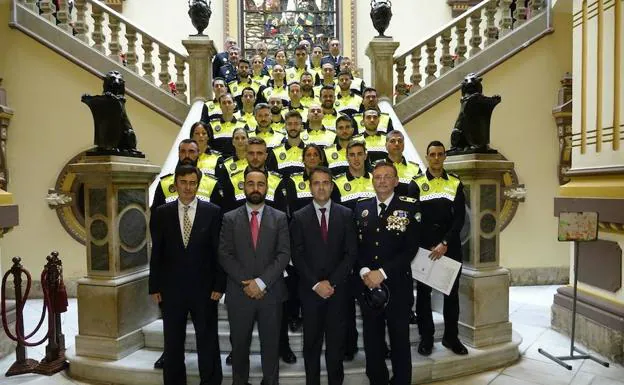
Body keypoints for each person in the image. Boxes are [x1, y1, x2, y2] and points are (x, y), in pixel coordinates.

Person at [149, 164, 225, 385]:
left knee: (207, 340)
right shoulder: (163, 213)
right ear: (175, 185)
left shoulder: (212, 212)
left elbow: (218, 251)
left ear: (198, 185)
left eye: (193, 183)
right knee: (173, 342)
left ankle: (210, 381)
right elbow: (158, 251)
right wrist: (154, 286)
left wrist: (219, 285)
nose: (188, 188)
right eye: (183, 182)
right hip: (171, 290)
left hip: (204, 289)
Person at [218, 167, 291, 385]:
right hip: (240, 294)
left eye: (260, 184)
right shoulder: (229, 219)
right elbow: (224, 254)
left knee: (271, 347)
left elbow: (284, 253)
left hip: (271, 294)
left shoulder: (279, 218)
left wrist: (261, 283)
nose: (255, 188)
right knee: (239, 347)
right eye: (251, 183)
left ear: (267, 187)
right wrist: (249, 284)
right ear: (244, 186)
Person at [355, 161, 421, 385]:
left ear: (395, 181)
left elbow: (410, 248)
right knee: (372, 341)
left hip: (397, 286)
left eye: (387, 176)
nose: (382, 181)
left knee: (399, 340)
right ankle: (377, 380)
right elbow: (356, 245)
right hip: (368, 287)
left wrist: (382, 272)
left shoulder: (410, 207)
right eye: (378, 177)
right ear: (372, 180)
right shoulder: (361, 207)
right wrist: (365, 271)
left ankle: (401, 380)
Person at [290, 166, 358, 385]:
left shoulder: (346, 215)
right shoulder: (299, 218)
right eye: (316, 183)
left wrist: (332, 282)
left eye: (325, 182)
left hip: (338, 292)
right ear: (310, 187)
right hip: (310, 293)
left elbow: (351, 253)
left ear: (332, 185)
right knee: (311, 344)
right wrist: (316, 284)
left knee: (336, 346)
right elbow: (296, 256)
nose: (321, 187)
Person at [408, 140, 468, 356]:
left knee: (451, 295)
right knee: (423, 295)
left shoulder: (455, 183)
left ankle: (451, 338)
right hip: (424, 249)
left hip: (449, 247)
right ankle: (426, 338)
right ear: (427, 157)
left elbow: (460, 219)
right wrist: (428, 245)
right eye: (432, 154)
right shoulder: (415, 184)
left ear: (444, 157)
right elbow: (413, 219)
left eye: (439, 154)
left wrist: (444, 243)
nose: (436, 158)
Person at [151, 139, 225, 212]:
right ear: (178, 153)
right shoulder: (164, 184)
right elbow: (156, 216)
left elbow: (218, 216)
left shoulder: (212, 184)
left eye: (191, 151)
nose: (187, 155)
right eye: (183, 151)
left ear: (198, 153)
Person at [384, 130, 421, 197]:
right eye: (392, 141)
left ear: (403, 145)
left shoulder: (415, 169)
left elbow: (419, 194)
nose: (397, 144)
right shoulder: (377, 167)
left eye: (400, 141)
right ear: (386, 145)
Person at [272, 110, 306, 177]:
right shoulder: (276, 152)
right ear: (285, 127)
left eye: (296, 124)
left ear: (302, 127)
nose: (293, 127)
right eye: (289, 124)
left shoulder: (309, 151)